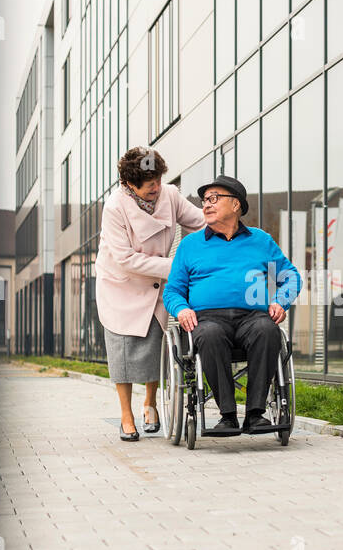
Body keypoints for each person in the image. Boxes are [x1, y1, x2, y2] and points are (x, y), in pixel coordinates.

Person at [162, 175, 302, 433]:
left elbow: (290, 276)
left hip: (253, 317)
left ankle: (255, 414)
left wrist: (281, 302)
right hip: (208, 318)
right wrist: (181, 309)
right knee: (210, 334)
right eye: (204, 200)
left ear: (236, 205)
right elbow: (172, 291)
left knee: (268, 330)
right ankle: (227, 415)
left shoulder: (260, 240)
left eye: (214, 199)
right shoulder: (190, 245)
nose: (206, 205)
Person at [95, 147, 205, 441]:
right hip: (121, 283)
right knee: (122, 352)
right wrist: (175, 266)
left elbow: (199, 221)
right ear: (130, 184)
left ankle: (151, 403)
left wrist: (228, 228)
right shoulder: (115, 207)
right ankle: (126, 415)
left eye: (157, 179)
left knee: (154, 347)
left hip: (155, 282)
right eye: (148, 184)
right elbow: (125, 259)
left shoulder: (169, 195)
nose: (155, 187)